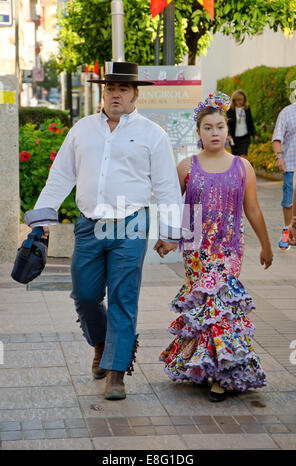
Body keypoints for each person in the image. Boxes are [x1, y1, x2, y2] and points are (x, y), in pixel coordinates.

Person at [23, 62, 183, 401]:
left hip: (132, 225)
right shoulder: (82, 130)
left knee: (124, 300)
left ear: (135, 95)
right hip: (89, 225)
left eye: (123, 89)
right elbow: (60, 177)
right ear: (102, 92)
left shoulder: (154, 134)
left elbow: (167, 185)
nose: (116, 94)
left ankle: (115, 372)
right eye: (110, 87)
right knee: (85, 296)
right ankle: (101, 342)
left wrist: (170, 233)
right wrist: (41, 224)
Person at [160, 92, 273, 402]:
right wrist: (168, 238)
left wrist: (266, 245)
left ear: (228, 129)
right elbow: (171, 206)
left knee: (220, 305)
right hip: (194, 248)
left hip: (228, 250)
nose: (215, 133)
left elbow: (253, 209)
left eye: (220, 127)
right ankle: (202, 363)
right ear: (198, 132)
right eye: (208, 127)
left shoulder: (242, 167)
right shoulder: (186, 167)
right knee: (203, 306)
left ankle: (222, 376)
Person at [272, 101, 296, 251]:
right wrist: (279, 157)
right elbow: (277, 138)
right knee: (289, 199)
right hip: (291, 165)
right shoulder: (287, 112)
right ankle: (287, 230)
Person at [227, 89, 257, 157]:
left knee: (243, 155)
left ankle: (243, 168)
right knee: (236, 157)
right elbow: (227, 124)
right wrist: (228, 134)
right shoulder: (230, 110)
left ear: (244, 100)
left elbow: (250, 122)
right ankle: (237, 168)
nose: (239, 102)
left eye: (241, 100)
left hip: (245, 136)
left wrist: (254, 134)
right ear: (234, 100)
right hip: (234, 137)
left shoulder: (247, 108)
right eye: (237, 100)